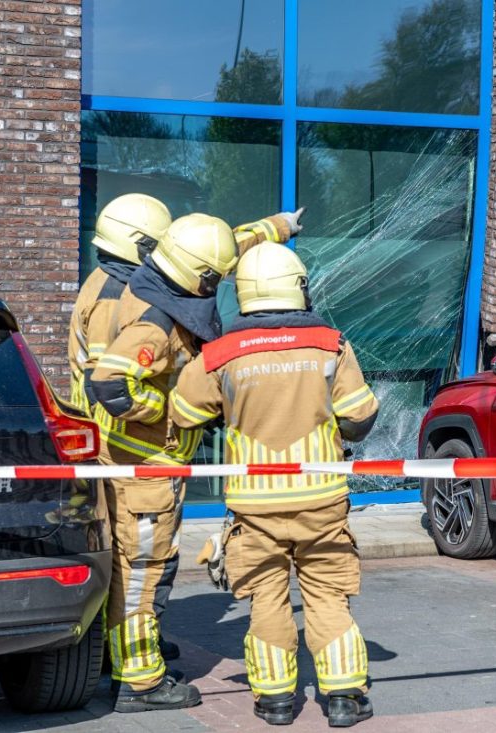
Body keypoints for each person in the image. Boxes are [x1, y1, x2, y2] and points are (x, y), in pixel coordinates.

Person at [170, 244, 379, 727]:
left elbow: (184, 415)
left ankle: (275, 700)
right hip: (321, 498)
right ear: (298, 288)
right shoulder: (331, 344)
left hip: (254, 503)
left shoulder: (219, 355)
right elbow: (360, 416)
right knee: (328, 596)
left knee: (266, 599)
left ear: (243, 295)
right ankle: (345, 696)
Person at [91, 212, 238, 712]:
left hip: (150, 473)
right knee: (141, 577)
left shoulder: (152, 289)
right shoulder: (156, 322)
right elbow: (110, 382)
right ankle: (141, 683)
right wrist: (168, 415)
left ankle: (135, 662)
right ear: (199, 279)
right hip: (145, 476)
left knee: (145, 573)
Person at [68, 193, 171, 415]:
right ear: (141, 244)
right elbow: (102, 377)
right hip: (111, 426)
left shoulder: (107, 275)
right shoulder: (113, 297)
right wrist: (161, 409)